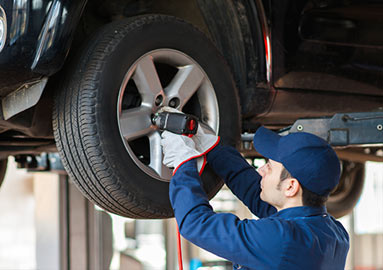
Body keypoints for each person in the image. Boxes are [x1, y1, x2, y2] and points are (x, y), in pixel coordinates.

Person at [160, 122, 350, 270]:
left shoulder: (281, 240)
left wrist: (183, 163)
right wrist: (214, 148)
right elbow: (255, 193)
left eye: (269, 166)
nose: (261, 170)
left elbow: (196, 224)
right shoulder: (333, 232)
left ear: (291, 187)